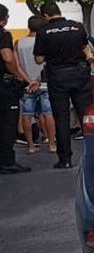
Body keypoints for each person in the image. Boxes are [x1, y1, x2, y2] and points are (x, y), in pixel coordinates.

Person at [33, 3, 94, 169]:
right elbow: (85, 48)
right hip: (79, 75)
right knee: (86, 116)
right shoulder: (77, 27)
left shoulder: (43, 32)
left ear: (46, 15)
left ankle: (65, 159)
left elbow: (38, 59)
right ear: (58, 12)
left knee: (61, 118)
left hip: (57, 77)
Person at [0, 4, 40, 174]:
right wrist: (19, 75)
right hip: (4, 86)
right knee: (7, 123)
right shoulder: (3, 35)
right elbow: (8, 58)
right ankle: (7, 161)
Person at [17, 16, 56, 154]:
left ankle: (31, 145)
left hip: (27, 84)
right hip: (44, 82)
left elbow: (18, 65)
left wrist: (28, 80)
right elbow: (46, 63)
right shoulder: (45, 42)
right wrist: (37, 79)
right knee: (48, 113)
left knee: (27, 114)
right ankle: (51, 143)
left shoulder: (19, 43)